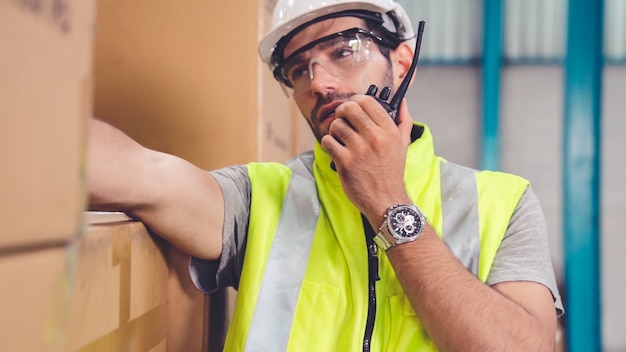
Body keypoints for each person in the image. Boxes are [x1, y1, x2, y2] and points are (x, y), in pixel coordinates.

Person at [88, 0, 564, 350]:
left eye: (344, 51)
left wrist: (388, 203)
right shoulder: (259, 198)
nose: (318, 82)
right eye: (299, 68)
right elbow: (141, 173)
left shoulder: (503, 203)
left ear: (402, 63)